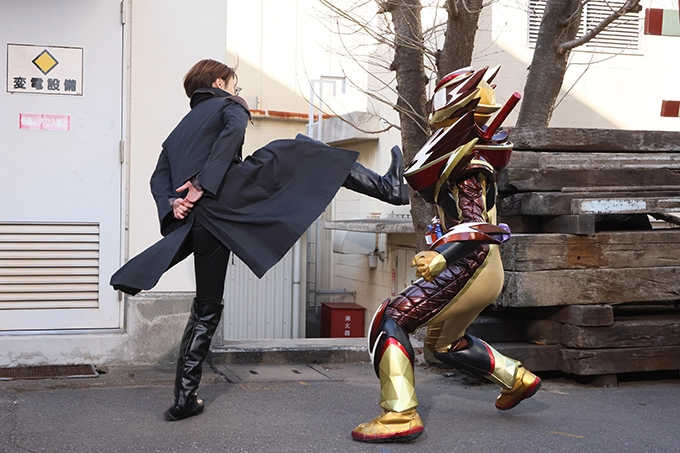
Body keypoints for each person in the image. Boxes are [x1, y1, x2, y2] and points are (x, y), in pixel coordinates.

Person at [110, 59, 409, 421]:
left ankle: (184, 399)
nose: (236, 92)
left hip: (203, 223)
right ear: (218, 83)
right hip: (229, 201)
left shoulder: (176, 135)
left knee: (206, 307)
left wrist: (174, 203)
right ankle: (388, 187)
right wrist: (203, 184)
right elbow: (234, 131)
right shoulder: (228, 105)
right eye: (233, 85)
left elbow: (158, 179)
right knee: (303, 150)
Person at [351, 66, 541, 443]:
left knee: (390, 319)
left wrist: (441, 257)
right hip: (482, 268)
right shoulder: (470, 160)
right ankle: (516, 378)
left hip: (468, 265)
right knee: (443, 344)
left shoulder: (469, 165)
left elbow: (476, 225)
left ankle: (399, 414)